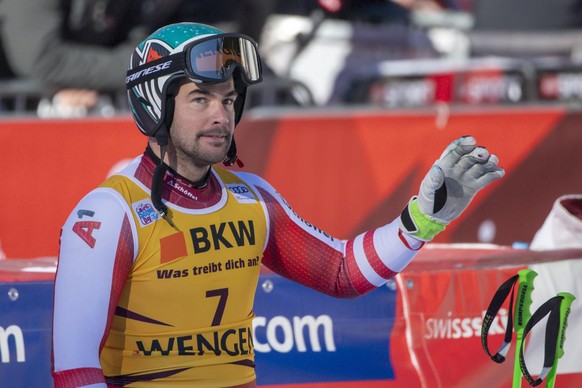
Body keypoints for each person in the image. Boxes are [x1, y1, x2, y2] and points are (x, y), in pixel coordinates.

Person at [51, 22, 504, 387]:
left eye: (229, 100)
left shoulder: (252, 197)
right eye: (200, 99)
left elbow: (342, 271)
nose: (220, 115)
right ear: (154, 106)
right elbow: (74, 370)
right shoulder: (109, 213)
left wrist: (422, 220)